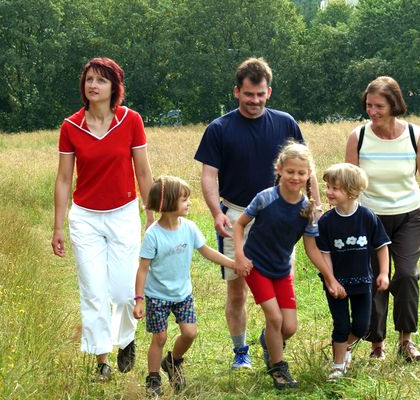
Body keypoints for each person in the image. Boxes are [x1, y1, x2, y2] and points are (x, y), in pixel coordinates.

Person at [194, 57, 321, 369]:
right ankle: (241, 353)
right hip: (237, 216)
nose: (254, 101)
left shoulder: (286, 123)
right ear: (237, 91)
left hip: (281, 218)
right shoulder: (219, 129)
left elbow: (306, 168)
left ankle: (271, 342)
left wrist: (314, 204)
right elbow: (209, 175)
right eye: (248, 94)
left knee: (278, 288)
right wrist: (216, 213)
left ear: (269, 92)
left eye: (260, 94)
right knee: (237, 291)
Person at [52, 57, 154, 381]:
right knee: (94, 291)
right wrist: (58, 226)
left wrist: (151, 216)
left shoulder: (131, 121)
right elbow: (64, 179)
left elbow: (143, 171)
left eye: (100, 80)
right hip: (85, 219)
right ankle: (102, 362)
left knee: (125, 292)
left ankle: (125, 339)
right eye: (89, 79)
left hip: (124, 214)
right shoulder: (70, 127)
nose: (93, 85)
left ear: (114, 87)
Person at [345, 76, 420, 362]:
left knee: (407, 274)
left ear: (394, 105)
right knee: (377, 279)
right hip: (370, 218)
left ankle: (406, 340)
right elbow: (350, 185)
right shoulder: (358, 137)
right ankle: (377, 345)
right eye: (368, 105)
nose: (372, 112)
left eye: (378, 106)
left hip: (409, 216)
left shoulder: (415, 135)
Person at [233, 142, 342, 389]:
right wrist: (240, 257)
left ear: (308, 175)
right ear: (279, 169)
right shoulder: (265, 198)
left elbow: (311, 248)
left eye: (301, 173)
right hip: (256, 265)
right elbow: (239, 225)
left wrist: (330, 277)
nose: (295, 177)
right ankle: (278, 368)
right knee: (274, 317)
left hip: (281, 270)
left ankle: (268, 340)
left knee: (289, 327)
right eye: (290, 171)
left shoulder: (308, 210)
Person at [133, 176, 245, 397]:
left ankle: (173, 362)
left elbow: (207, 252)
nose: (189, 203)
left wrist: (234, 264)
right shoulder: (153, 235)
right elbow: (143, 268)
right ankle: (153, 378)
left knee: (190, 333)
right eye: (184, 199)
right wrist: (138, 299)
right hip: (157, 296)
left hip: (182, 294)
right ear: (167, 203)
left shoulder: (190, 228)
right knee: (160, 338)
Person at [315, 163, 391, 380]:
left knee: (361, 326)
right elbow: (325, 253)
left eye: (334, 188)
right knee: (341, 325)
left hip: (363, 284)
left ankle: (344, 347)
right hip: (336, 285)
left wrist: (384, 273)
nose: (328, 192)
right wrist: (331, 281)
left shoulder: (367, 217)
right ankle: (338, 366)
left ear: (351, 192)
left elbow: (381, 246)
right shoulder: (327, 222)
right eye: (327, 186)